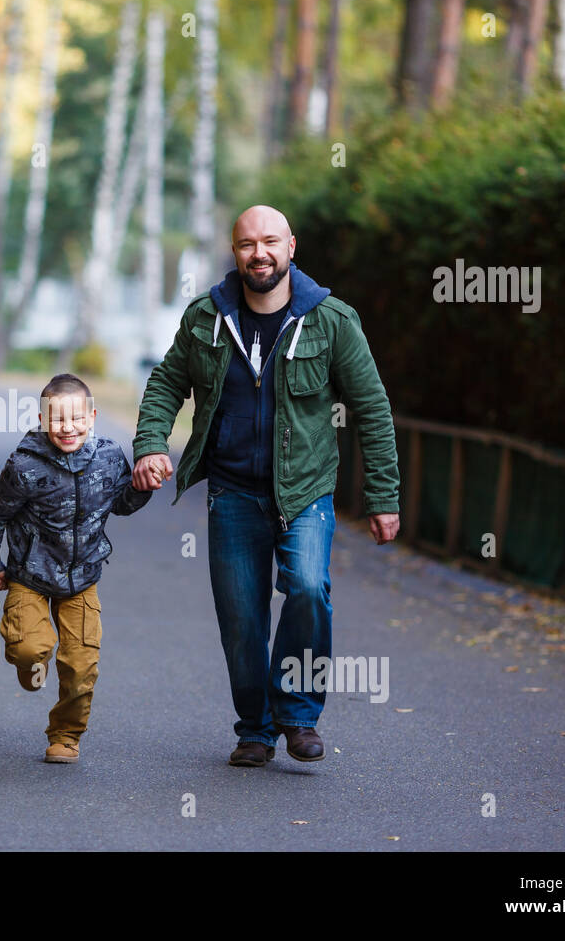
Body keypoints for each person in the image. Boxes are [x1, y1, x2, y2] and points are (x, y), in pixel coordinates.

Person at [131, 205, 400, 768]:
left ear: (291, 247)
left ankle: (298, 717)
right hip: (231, 492)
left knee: (307, 588)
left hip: (305, 491)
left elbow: (371, 409)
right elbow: (165, 383)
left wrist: (382, 498)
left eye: (270, 242)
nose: (260, 253)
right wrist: (152, 443)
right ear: (235, 252)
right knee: (242, 618)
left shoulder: (331, 320)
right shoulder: (206, 317)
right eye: (248, 243)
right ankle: (255, 728)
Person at [0, 373, 152, 763]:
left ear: (91, 417)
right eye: (57, 419)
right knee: (29, 648)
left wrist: (142, 486)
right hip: (31, 576)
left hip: (82, 579)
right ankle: (29, 661)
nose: (67, 427)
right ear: (43, 420)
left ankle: (66, 737)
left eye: (76, 418)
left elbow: (121, 504)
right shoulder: (24, 466)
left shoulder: (108, 458)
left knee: (81, 664)